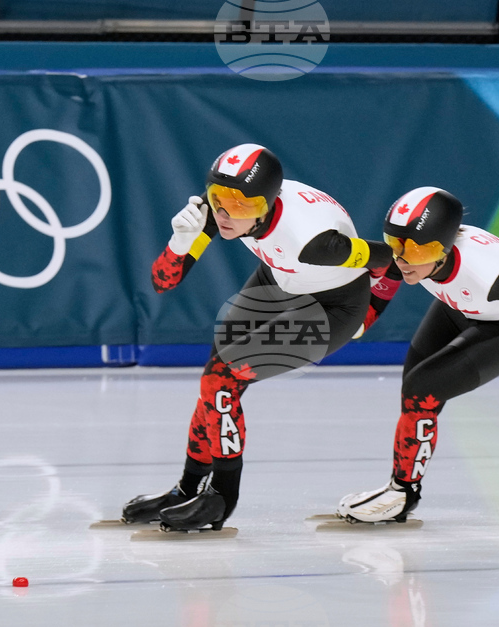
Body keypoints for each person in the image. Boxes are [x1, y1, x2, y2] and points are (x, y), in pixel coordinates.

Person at [124, 143, 396, 531]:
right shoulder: (222, 207)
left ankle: (221, 496)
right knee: (215, 381)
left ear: (268, 204)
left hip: (332, 305)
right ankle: (187, 489)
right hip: (280, 275)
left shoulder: (314, 240)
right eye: (219, 200)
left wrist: (368, 317)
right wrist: (180, 243)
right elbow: (162, 282)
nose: (225, 215)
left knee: (221, 379)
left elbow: (390, 260)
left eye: (240, 207)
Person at [337, 187, 499, 523]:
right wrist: (353, 325)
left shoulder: (493, 274)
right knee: (414, 390)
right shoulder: (407, 254)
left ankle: (402, 492)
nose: (402, 260)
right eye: (395, 245)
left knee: (422, 389)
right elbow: (377, 299)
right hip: (457, 306)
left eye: (416, 251)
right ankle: (403, 489)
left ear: (444, 248)